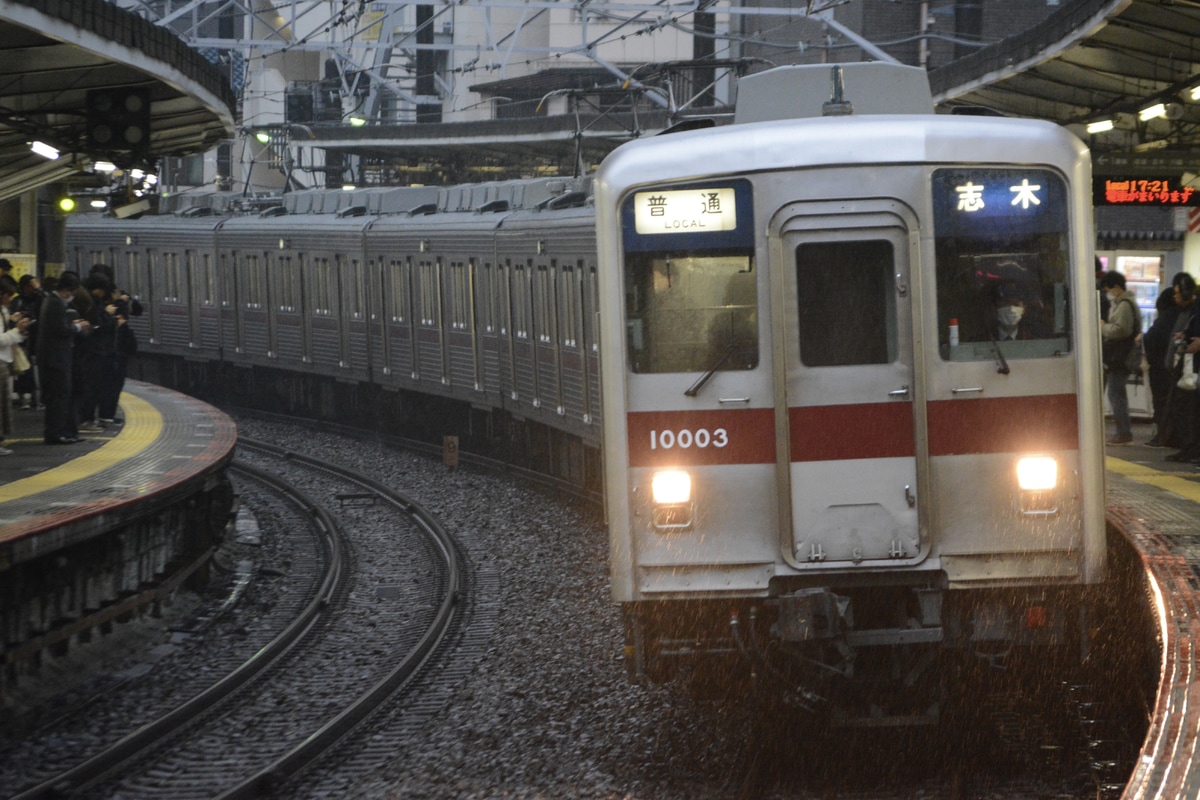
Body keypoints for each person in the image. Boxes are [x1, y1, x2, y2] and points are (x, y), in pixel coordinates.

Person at [1143, 273, 1196, 447]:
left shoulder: (1177, 314)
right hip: (1177, 367)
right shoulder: (1183, 313)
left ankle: (1174, 440)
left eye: (1177, 293)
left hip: (1174, 369)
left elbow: (1154, 338)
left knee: (1174, 406)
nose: (1176, 297)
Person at [37, 271, 90, 444]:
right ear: (66, 290)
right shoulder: (55, 304)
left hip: (54, 358)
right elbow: (60, 330)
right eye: (72, 293)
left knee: (59, 397)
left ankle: (58, 432)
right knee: (59, 397)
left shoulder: (51, 302)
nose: (72, 297)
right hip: (56, 360)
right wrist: (76, 328)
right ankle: (55, 434)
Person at [1100, 270, 1141, 446]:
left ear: (1116, 287)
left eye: (1109, 290)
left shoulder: (1124, 305)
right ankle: (1123, 432)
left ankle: (1123, 433)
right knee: (1118, 394)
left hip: (1121, 357)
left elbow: (1121, 330)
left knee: (1115, 394)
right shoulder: (1125, 303)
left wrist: (1103, 327)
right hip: (1122, 356)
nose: (1108, 294)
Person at [0, 277, 31, 454]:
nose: (10, 299)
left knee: (4, 404)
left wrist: (12, 322)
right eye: (8, 296)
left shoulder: (3, 310)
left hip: (4, 361)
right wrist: (16, 331)